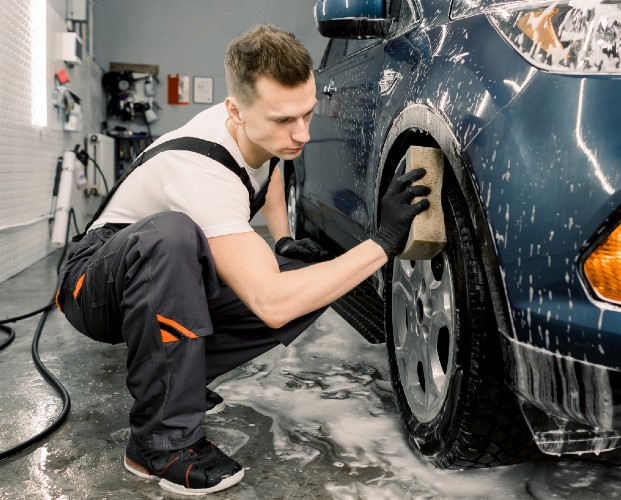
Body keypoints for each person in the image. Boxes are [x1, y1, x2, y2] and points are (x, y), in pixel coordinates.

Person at [55, 24, 429, 496]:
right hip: (91, 283)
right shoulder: (201, 170)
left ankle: (179, 381)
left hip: (152, 274)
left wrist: (284, 238)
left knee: (316, 276)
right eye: (283, 121)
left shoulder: (258, 128)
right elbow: (271, 305)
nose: (302, 134)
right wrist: (384, 242)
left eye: (307, 114)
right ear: (236, 110)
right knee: (176, 237)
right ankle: (159, 444)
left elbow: (268, 168)